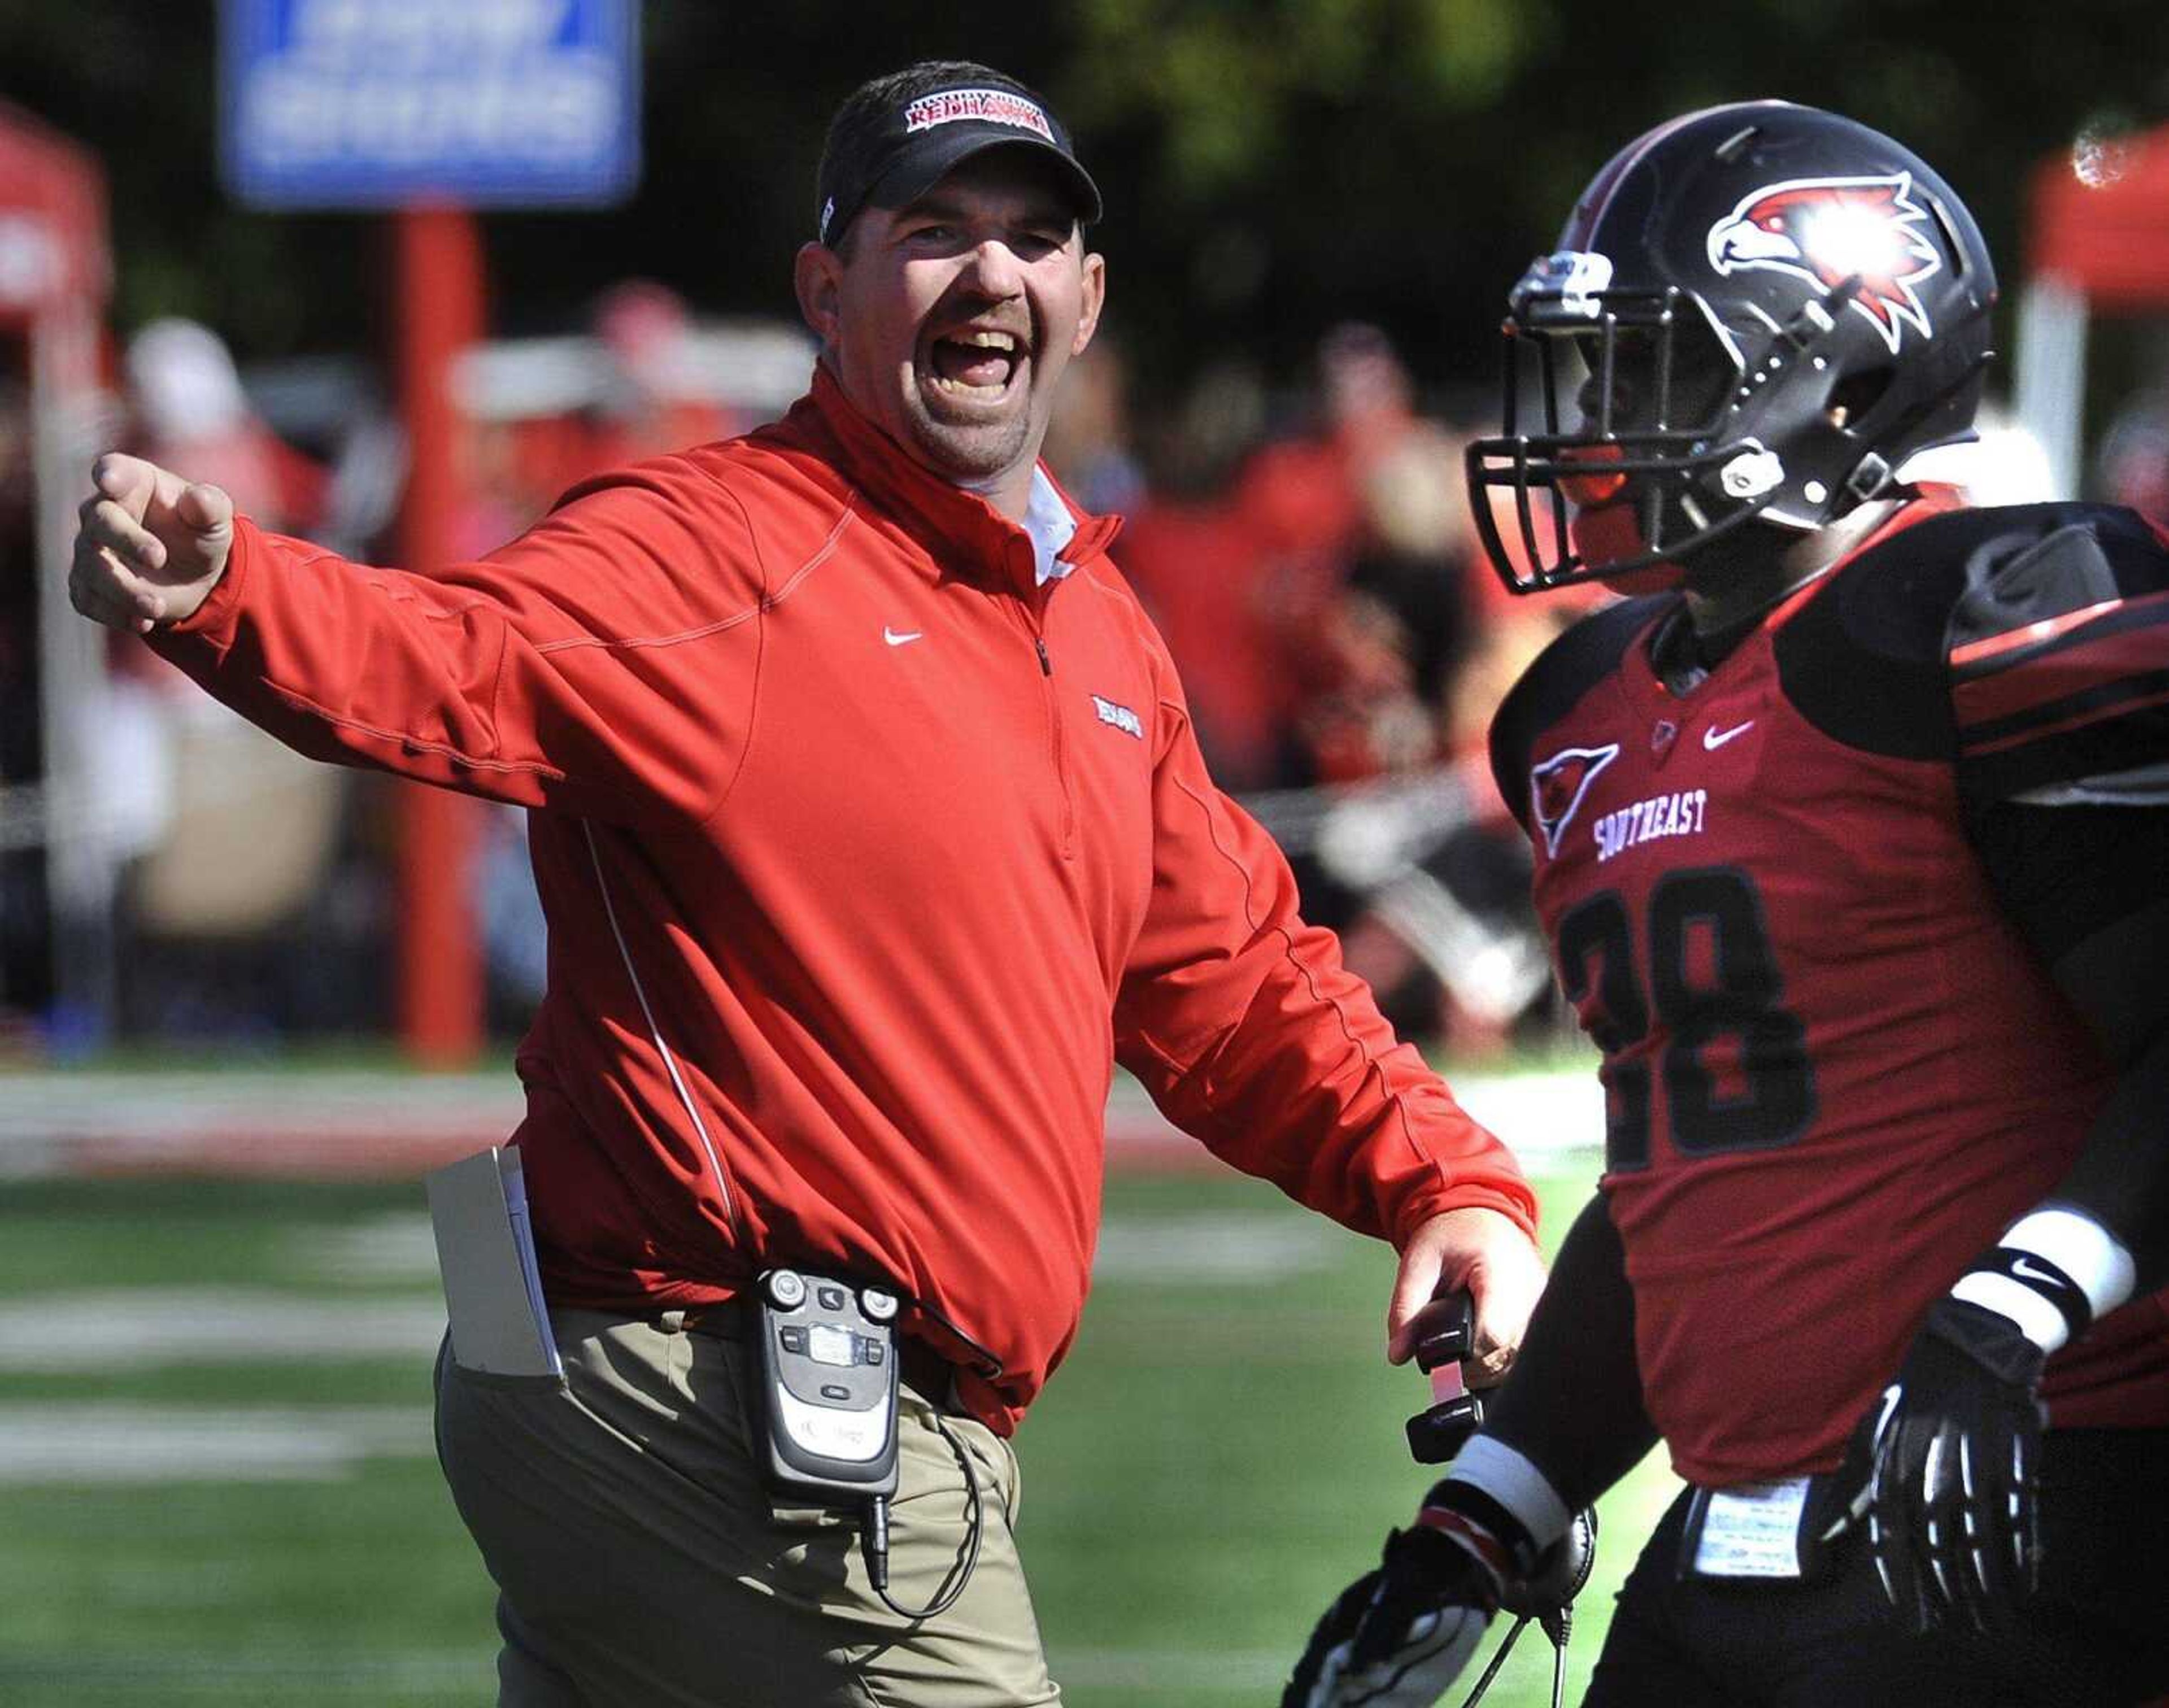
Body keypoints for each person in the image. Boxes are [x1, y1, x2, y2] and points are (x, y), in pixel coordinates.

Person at [69, 59, 1547, 1708]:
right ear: (825, 291)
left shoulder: (1093, 628)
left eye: (1033, 236)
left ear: (1087, 296)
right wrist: (231, 591)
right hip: (726, 1391)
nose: (992, 272)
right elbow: (463, 655)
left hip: (729, 1392)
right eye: (935, 230)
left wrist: (1444, 1184)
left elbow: (1235, 982)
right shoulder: (724, 543)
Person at [1286, 100, 2169, 1708]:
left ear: (1839, 368)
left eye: (1659, 367)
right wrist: (1495, 1513)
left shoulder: (1992, 614)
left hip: (2011, 1505)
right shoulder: (1580, 715)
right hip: (1726, 1548)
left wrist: (2021, 1306)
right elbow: (1691, 1175)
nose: (1602, 420)